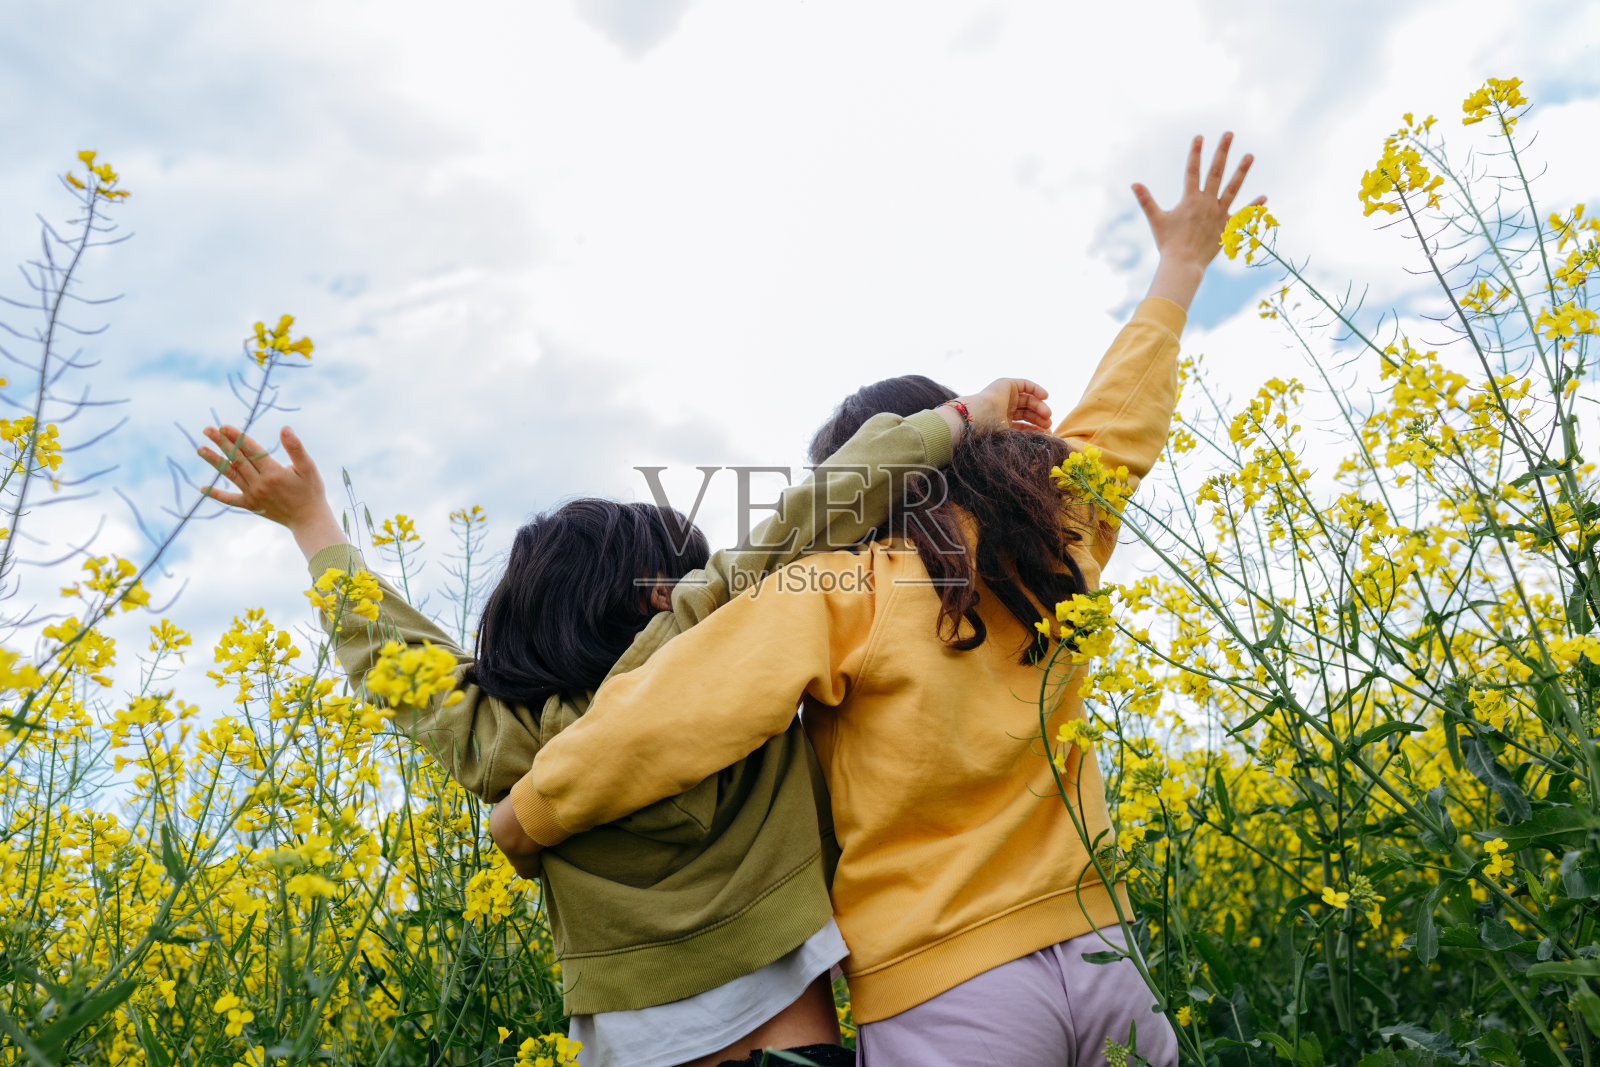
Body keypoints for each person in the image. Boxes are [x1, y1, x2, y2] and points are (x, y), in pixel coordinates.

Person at [490, 132, 1264, 1066]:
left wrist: (533, 809)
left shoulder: (842, 589)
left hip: (947, 987)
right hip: (1105, 957)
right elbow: (1123, 413)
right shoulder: (1060, 535)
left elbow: (679, 709)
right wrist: (1181, 267)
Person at [198, 377, 1051, 1067]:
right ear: (658, 593)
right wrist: (958, 417)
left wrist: (312, 523)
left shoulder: (500, 738)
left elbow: (393, 659)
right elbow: (814, 513)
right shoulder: (703, 641)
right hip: (791, 1034)